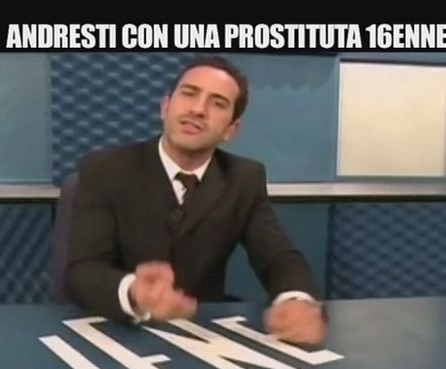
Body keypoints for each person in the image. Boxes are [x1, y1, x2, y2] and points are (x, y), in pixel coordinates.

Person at [65, 55, 327, 346]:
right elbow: (82, 271)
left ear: (231, 129)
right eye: (189, 94)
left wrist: (296, 300)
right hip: (118, 333)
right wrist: (135, 292)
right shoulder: (106, 169)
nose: (198, 109)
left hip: (201, 334)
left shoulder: (244, 178)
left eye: (218, 103)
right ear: (165, 107)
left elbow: (278, 256)